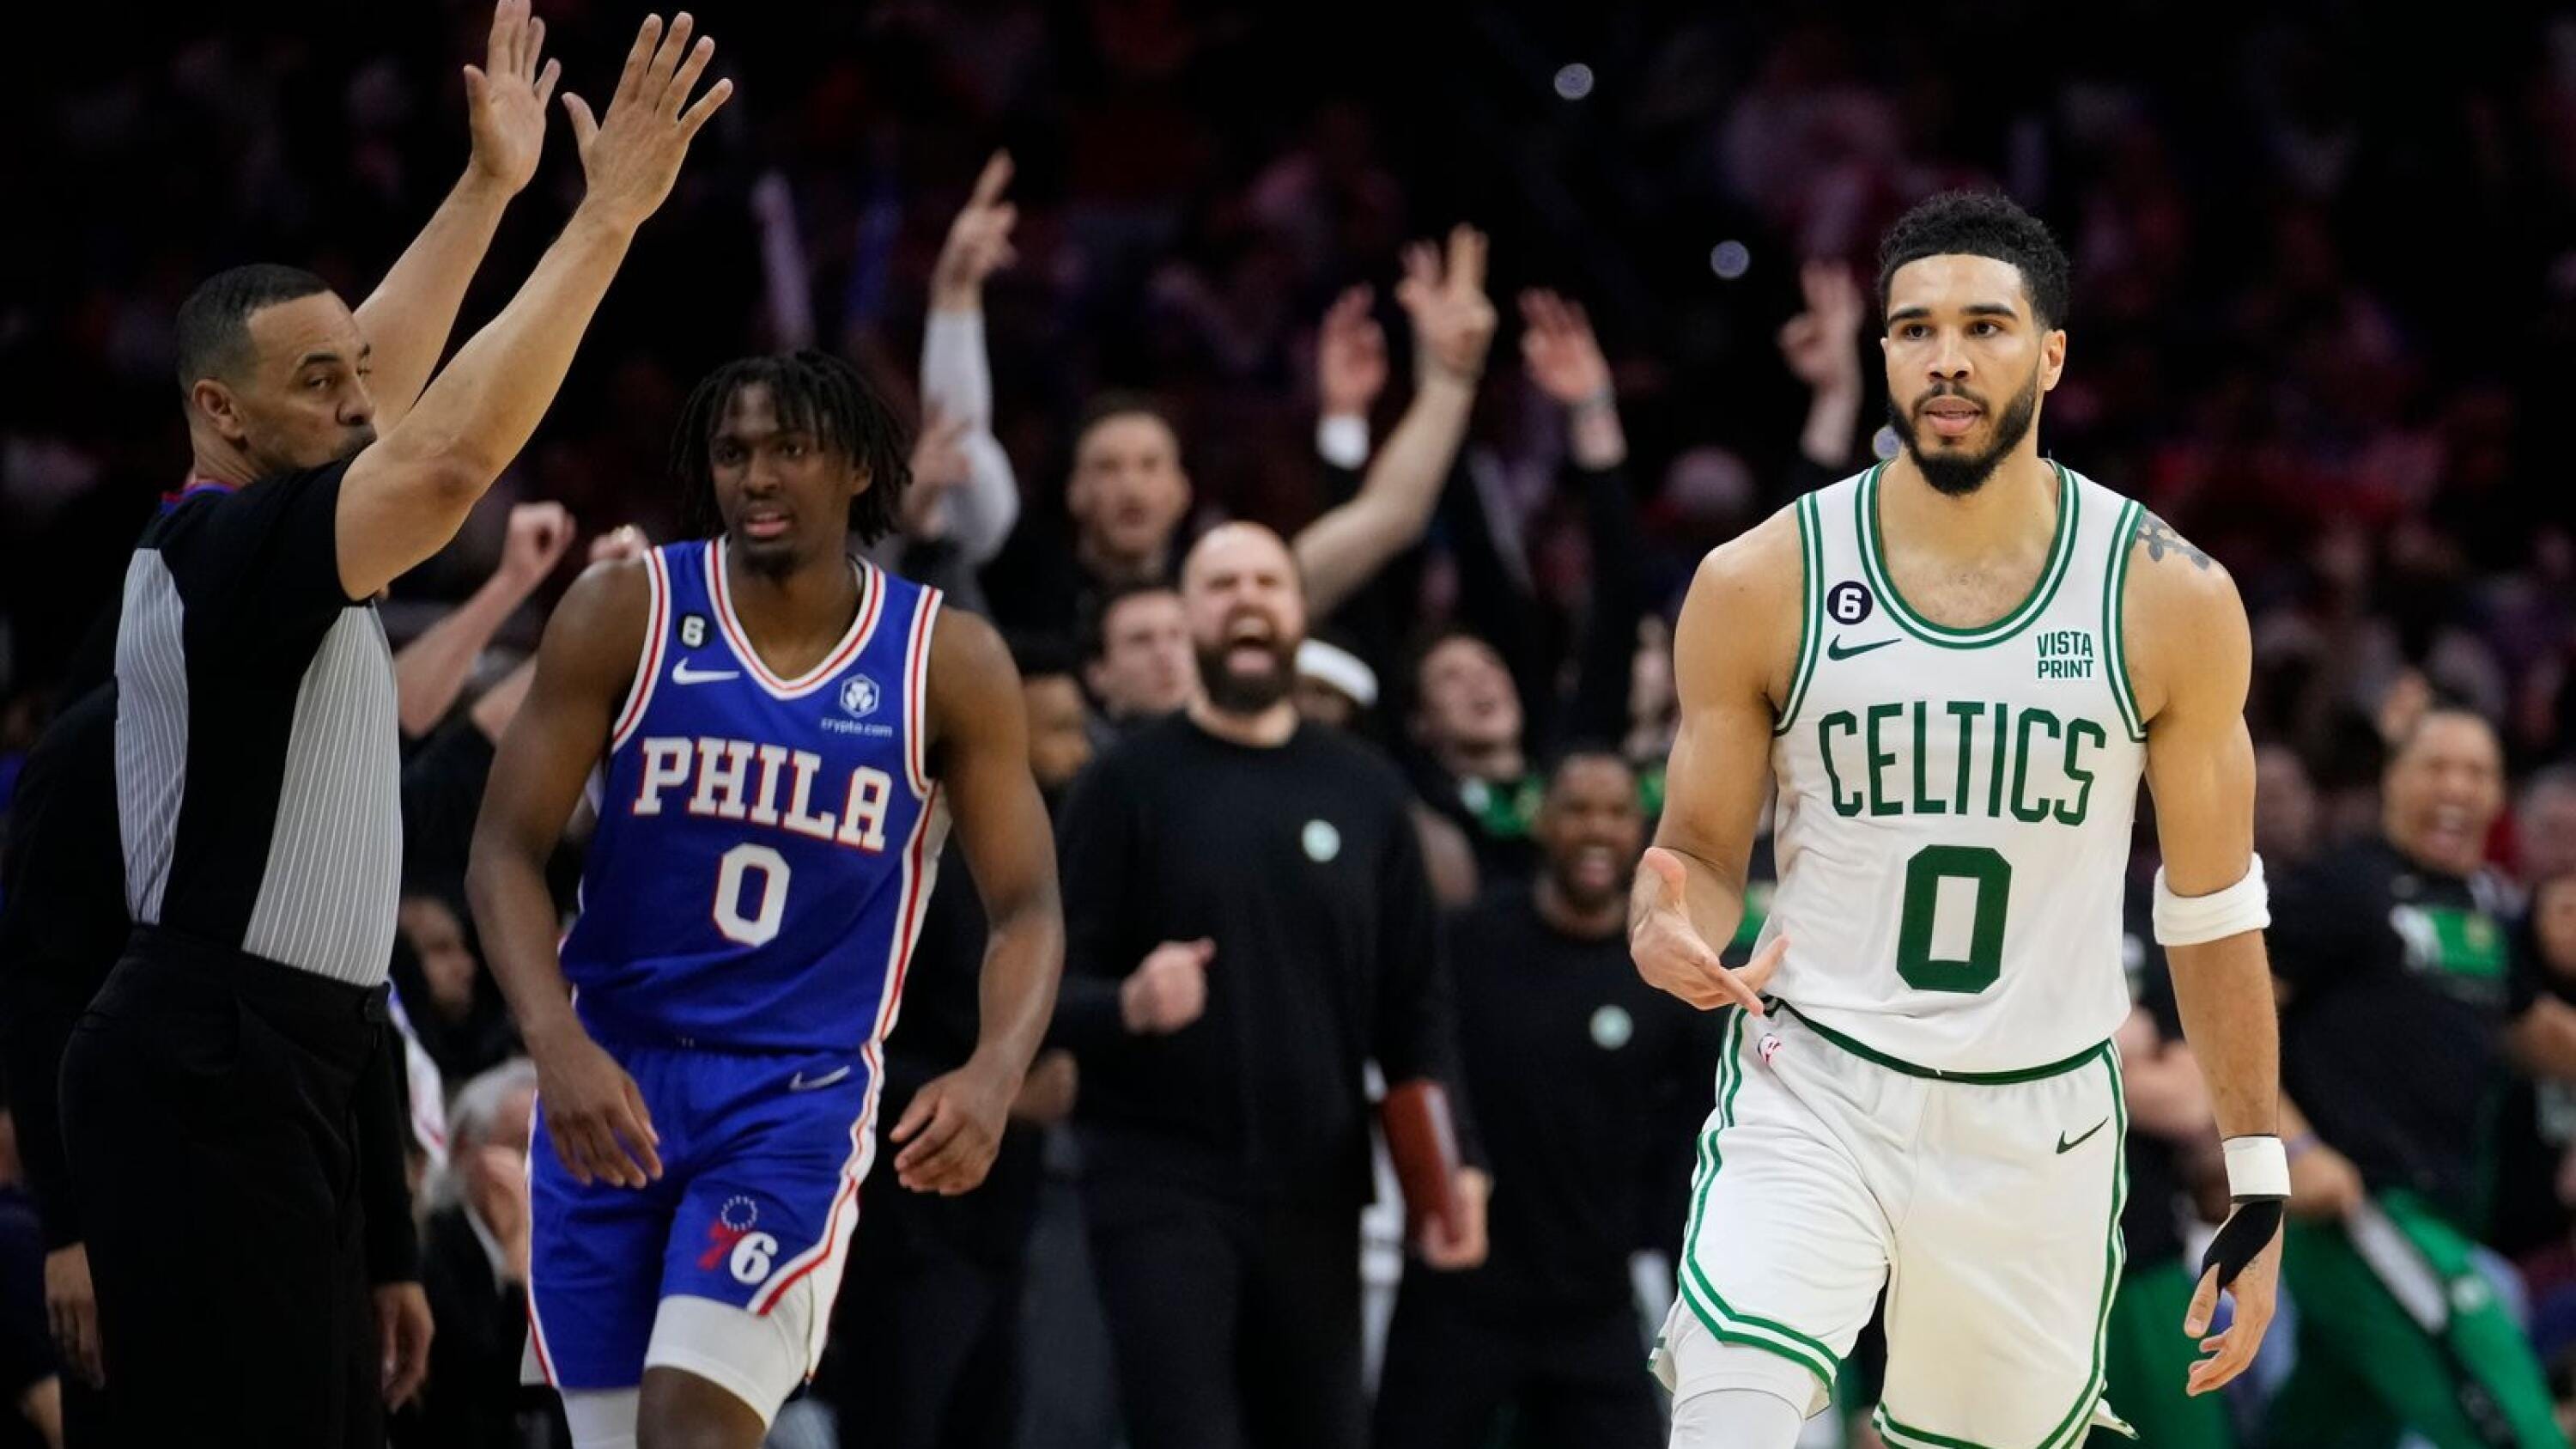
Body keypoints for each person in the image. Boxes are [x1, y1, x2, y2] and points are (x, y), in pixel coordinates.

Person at [55, 15, 729, 1447]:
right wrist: (603, 221)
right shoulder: (225, 560)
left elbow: (381, 385)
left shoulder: (272, 520)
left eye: (354, 372)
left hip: (290, 1057)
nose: (360, 402)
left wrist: (490, 187)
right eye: (323, 387)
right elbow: (449, 454)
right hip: (206, 1070)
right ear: (218, 414)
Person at [1631, 191, 2287, 1448]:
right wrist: (1668, 918)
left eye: (1985, 326)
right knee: (1730, 1421)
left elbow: (2211, 909)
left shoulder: (2168, 593)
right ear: (1878, 353)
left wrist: (2257, 1176)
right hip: (1812, 1081)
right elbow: (1701, 852)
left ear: (2050, 353)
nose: (1945, 356)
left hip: (2036, 1121)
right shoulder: (1761, 577)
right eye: (1913, 328)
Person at [467, 346, 1064, 1449]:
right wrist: (553, 1040)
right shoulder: (626, 611)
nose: (756, 476)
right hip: (609, 1082)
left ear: (856, 470)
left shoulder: (946, 659)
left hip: (791, 1098)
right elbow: (503, 848)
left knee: (689, 1434)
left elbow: (1027, 906)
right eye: (734, 452)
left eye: (790, 449)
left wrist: (994, 1070)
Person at [1049, 521, 1486, 1449]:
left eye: (1267, 582)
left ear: (1298, 613)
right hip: (1159, 1179)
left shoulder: (1366, 793)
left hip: (1318, 1189)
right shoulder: (1124, 785)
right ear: (1190, 618)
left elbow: (1417, 1005)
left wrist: (1458, 1166)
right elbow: (1040, 990)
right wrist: (1127, 1003)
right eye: (1222, 585)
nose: (1247, 598)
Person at [1370, 749, 1711, 1449]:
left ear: (1641, 830)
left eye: (1617, 812)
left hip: (1594, 1301)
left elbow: (1694, 1136)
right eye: (1578, 808)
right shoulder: (1468, 944)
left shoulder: (1669, 975)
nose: (1597, 829)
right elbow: (1412, 1061)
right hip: (1460, 1292)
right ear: (1542, 820)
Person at [2266, 706, 2576, 1447]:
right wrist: (2291, 1145)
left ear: (2500, 798)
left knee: (2328, 1429)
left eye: (2477, 772)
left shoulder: (2483, 914)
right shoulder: (2348, 885)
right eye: (2436, 766)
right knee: (2506, 1412)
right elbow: (2223, 1014)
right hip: (2362, 1209)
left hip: (2435, 1208)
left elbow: (2539, 1034)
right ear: (2392, 782)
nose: (2456, 787)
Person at [825, 637, 1089, 1449]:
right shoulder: (878, 859)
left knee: (991, 1421)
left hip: (1000, 1216)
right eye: (1054, 731)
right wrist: (991, 1084)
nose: (1074, 751)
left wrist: (1006, 1079)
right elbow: (839, 1047)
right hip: (902, 1221)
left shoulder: (1035, 861)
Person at [396, 1058, 570, 1449]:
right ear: (465, 1150)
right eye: (519, 1147)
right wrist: (515, 1265)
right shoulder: (432, 1249)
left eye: (546, 1150)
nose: (533, 1169)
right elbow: (498, 1384)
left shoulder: (565, 1245)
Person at [1080, 582, 1194, 735]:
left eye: (1177, 635)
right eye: (1140, 640)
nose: (1164, 653)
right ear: (1098, 674)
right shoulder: (1085, 755)